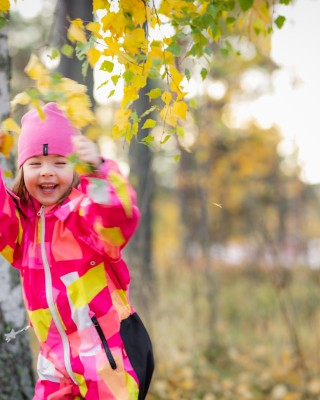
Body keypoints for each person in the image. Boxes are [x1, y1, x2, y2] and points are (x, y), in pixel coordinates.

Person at [0, 102, 154, 400]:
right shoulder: (23, 228)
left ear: (75, 168)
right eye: (35, 164)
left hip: (107, 361)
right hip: (55, 364)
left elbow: (118, 215)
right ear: (22, 170)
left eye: (59, 162)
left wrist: (99, 170)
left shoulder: (85, 215)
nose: (46, 173)